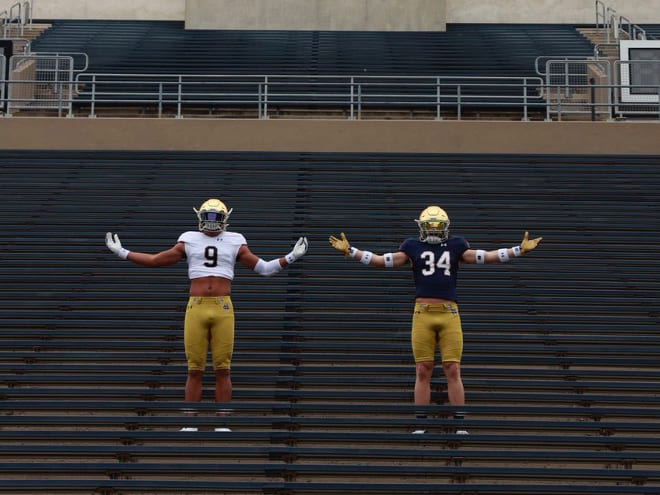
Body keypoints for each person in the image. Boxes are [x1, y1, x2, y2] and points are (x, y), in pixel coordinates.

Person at [329, 205, 542, 434]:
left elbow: (485, 257)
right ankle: (421, 422)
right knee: (423, 369)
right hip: (422, 312)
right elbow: (383, 261)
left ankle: (460, 423)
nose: (433, 231)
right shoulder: (412, 246)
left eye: (437, 227)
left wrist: (518, 250)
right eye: (429, 226)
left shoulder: (457, 245)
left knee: (452, 368)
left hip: (449, 312)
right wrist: (351, 251)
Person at [106, 198, 308, 431]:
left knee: (223, 368)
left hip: (222, 307)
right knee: (194, 368)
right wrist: (121, 252)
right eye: (208, 217)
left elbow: (264, 268)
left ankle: (222, 422)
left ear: (225, 219)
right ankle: (189, 421)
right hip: (197, 306)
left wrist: (291, 257)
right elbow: (156, 260)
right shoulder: (189, 238)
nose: (211, 222)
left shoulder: (235, 240)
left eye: (216, 217)